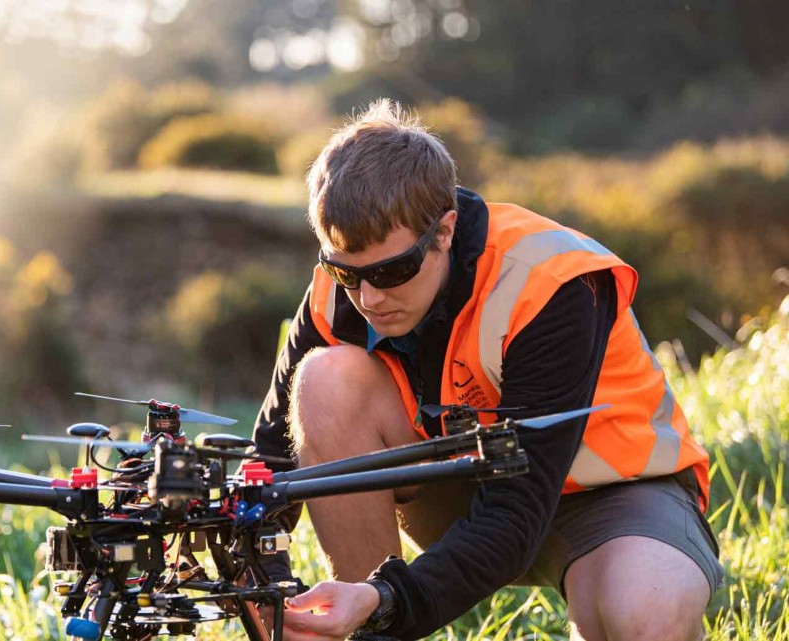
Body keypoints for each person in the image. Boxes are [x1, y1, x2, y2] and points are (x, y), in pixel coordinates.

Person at [251, 99, 722, 640]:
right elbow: (268, 466)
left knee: (644, 614)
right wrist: (269, 592)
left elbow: (516, 513)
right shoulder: (343, 291)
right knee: (324, 379)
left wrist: (391, 598)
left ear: (445, 230)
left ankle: (378, 614)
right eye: (347, 272)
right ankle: (370, 635)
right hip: (462, 485)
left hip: (612, 492)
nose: (370, 297)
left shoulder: (553, 282)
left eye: (394, 270)